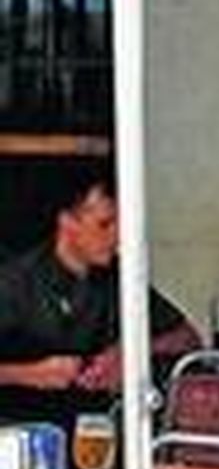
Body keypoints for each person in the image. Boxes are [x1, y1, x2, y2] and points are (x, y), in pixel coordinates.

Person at [0, 162, 201, 422]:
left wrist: (127, 354)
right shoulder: (15, 283)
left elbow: (188, 338)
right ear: (67, 223)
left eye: (120, 224)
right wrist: (30, 374)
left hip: (99, 429)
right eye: (104, 224)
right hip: (20, 430)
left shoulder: (119, 279)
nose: (117, 236)